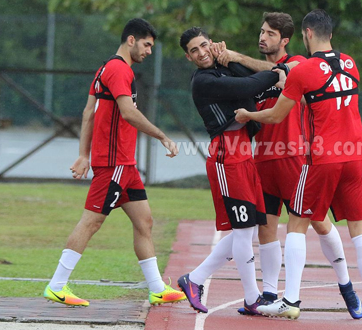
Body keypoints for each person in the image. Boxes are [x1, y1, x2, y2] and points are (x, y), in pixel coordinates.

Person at [235, 9, 362, 324]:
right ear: (329, 34)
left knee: (297, 223)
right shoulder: (351, 64)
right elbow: (325, 99)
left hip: (322, 158)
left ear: (306, 34)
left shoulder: (305, 70)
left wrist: (248, 115)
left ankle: (290, 300)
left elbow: (277, 115)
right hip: (354, 158)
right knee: (360, 230)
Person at [43, 18, 186, 307]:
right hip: (114, 163)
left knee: (144, 221)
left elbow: (87, 113)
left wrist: (84, 155)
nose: (148, 51)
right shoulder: (120, 70)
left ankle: (157, 287)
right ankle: (57, 285)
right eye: (146, 45)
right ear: (131, 40)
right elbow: (129, 113)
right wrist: (162, 136)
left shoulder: (105, 68)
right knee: (91, 221)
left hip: (125, 165)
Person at [176, 27, 283, 315]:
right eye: (194, 51)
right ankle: (251, 298)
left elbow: (247, 79)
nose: (201, 53)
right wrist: (281, 71)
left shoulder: (221, 69)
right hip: (226, 157)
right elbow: (249, 88)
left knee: (244, 231)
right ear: (188, 57)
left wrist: (229, 58)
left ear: (211, 44)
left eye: (204, 46)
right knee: (242, 229)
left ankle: (194, 279)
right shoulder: (203, 81)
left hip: (243, 155)